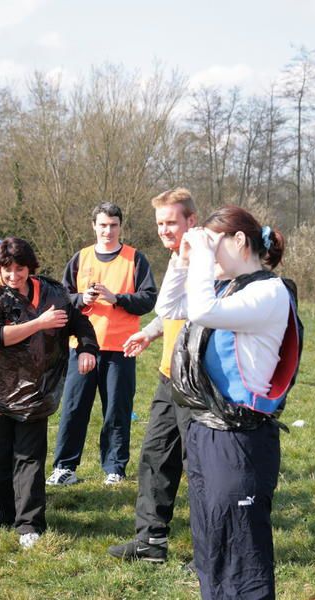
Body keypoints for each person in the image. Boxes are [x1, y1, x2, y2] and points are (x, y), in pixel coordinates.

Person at [155, 205, 303, 599]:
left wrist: (202, 257)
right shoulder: (228, 288)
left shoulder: (268, 292)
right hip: (207, 430)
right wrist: (183, 259)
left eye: (214, 245)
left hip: (241, 439)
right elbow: (168, 308)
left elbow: (202, 310)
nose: (210, 254)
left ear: (240, 241)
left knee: (243, 549)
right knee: (212, 541)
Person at [0, 237, 98, 548]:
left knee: (30, 459)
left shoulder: (51, 292)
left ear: (30, 267)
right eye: (7, 269)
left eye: (20, 269)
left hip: (34, 391)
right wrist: (39, 323)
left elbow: (80, 322)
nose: (14, 276)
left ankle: (29, 525)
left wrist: (88, 348)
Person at [108, 188, 197, 562]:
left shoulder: (206, 261)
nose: (164, 230)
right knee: (156, 458)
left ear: (191, 221)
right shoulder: (179, 256)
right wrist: (149, 332)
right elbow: (174, 310)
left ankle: (208, 550)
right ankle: (150, 543)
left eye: (171, 222)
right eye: (160, 223)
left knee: (202, 470)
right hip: (167, 376)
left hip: (199, 386)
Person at [47, 202, 157, 486]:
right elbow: (61, 297)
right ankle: (65, 467)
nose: (108, 230)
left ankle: (115, 469)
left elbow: (148, 300)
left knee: (116, 411)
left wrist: (117, 298)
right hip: (82, 347)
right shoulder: (80, 258)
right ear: (93, 226)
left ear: (121, 226)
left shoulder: (135, 259)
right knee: (73, 408)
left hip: (121, 347)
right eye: (103, 225)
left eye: (114, 225)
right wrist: (80, 299)